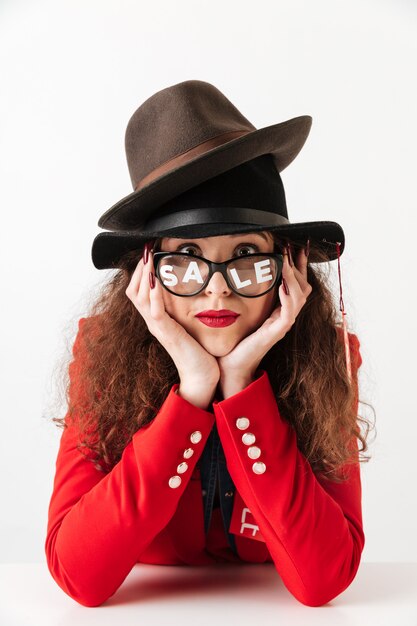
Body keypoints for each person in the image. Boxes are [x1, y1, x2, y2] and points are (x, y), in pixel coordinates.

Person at [45, 80, 373, 608]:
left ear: (289, 267)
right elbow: (78, 576)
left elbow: (323, 581)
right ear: (146, 274)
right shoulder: (101, 352)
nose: (218, 286)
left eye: (246, 253)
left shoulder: (329, 357)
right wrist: (194, 392)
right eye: (187, 257)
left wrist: (242, 386)